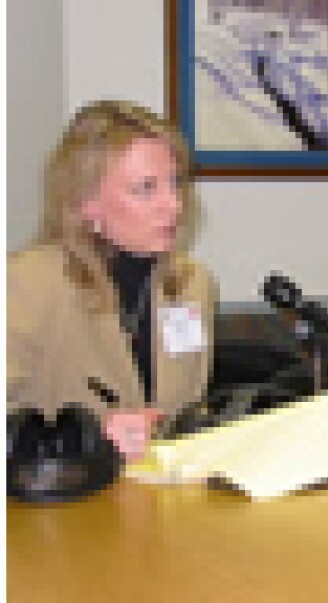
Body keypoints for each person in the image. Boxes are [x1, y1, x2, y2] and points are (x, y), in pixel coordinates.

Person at [7, 100, 216, 460]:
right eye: (146, 188)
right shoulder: (28, 282)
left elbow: (189, 412)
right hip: (59, 502)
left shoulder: (191, 284)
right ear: (86, 202)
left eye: (175, 183)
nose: (174, 205)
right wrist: (82, 438)